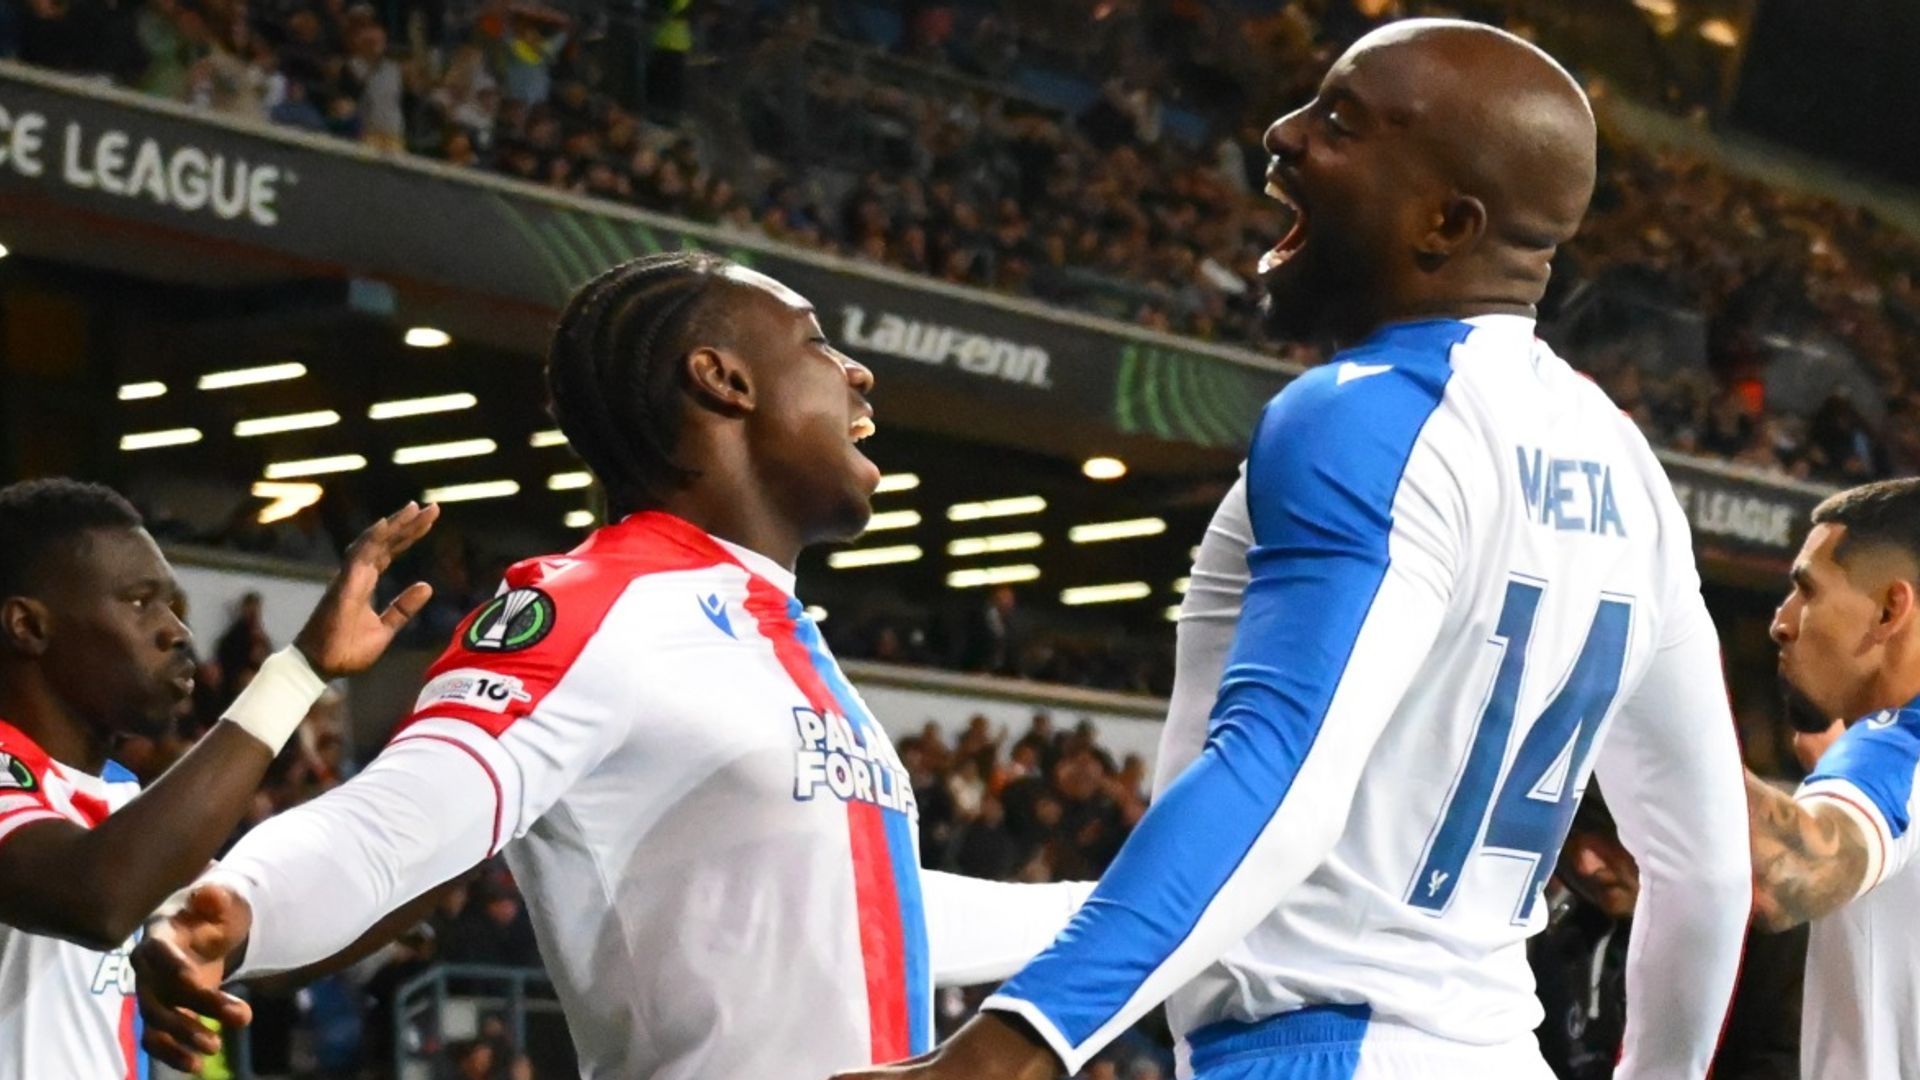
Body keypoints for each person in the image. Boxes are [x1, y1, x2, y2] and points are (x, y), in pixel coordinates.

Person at [834, 20, 1748, 1080]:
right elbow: (1707, 868)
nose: (1283, 133)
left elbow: (1284, 772)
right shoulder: (1627, 463)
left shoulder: (1365, 410)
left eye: (1342, 122)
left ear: (1447, 222)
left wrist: (1018, 1042)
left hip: (1317, 1046)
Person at [133, 252, 1094, 1077]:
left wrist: (1122, 911)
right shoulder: (594, 602)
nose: (857, 372)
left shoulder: (771, 632)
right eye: (816, 343)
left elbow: (857, 909)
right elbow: (400, 819)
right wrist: (234, 906)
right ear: (723, 380)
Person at [0, 479, 437, 1078]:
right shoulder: (77, 838)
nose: (177, 632)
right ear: (28, 625)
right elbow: (95, 899)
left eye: (172, 605)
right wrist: (298, 673)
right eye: (139, 602)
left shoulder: (120, 795)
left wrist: (487, 806)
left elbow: (267, 945)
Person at [1745, 477, 1920, 1078]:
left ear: (1889, 610)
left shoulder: (1896, 746)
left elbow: (1789, 876)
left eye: (1807, 590)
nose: (1782, 622)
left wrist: (1629, 702)